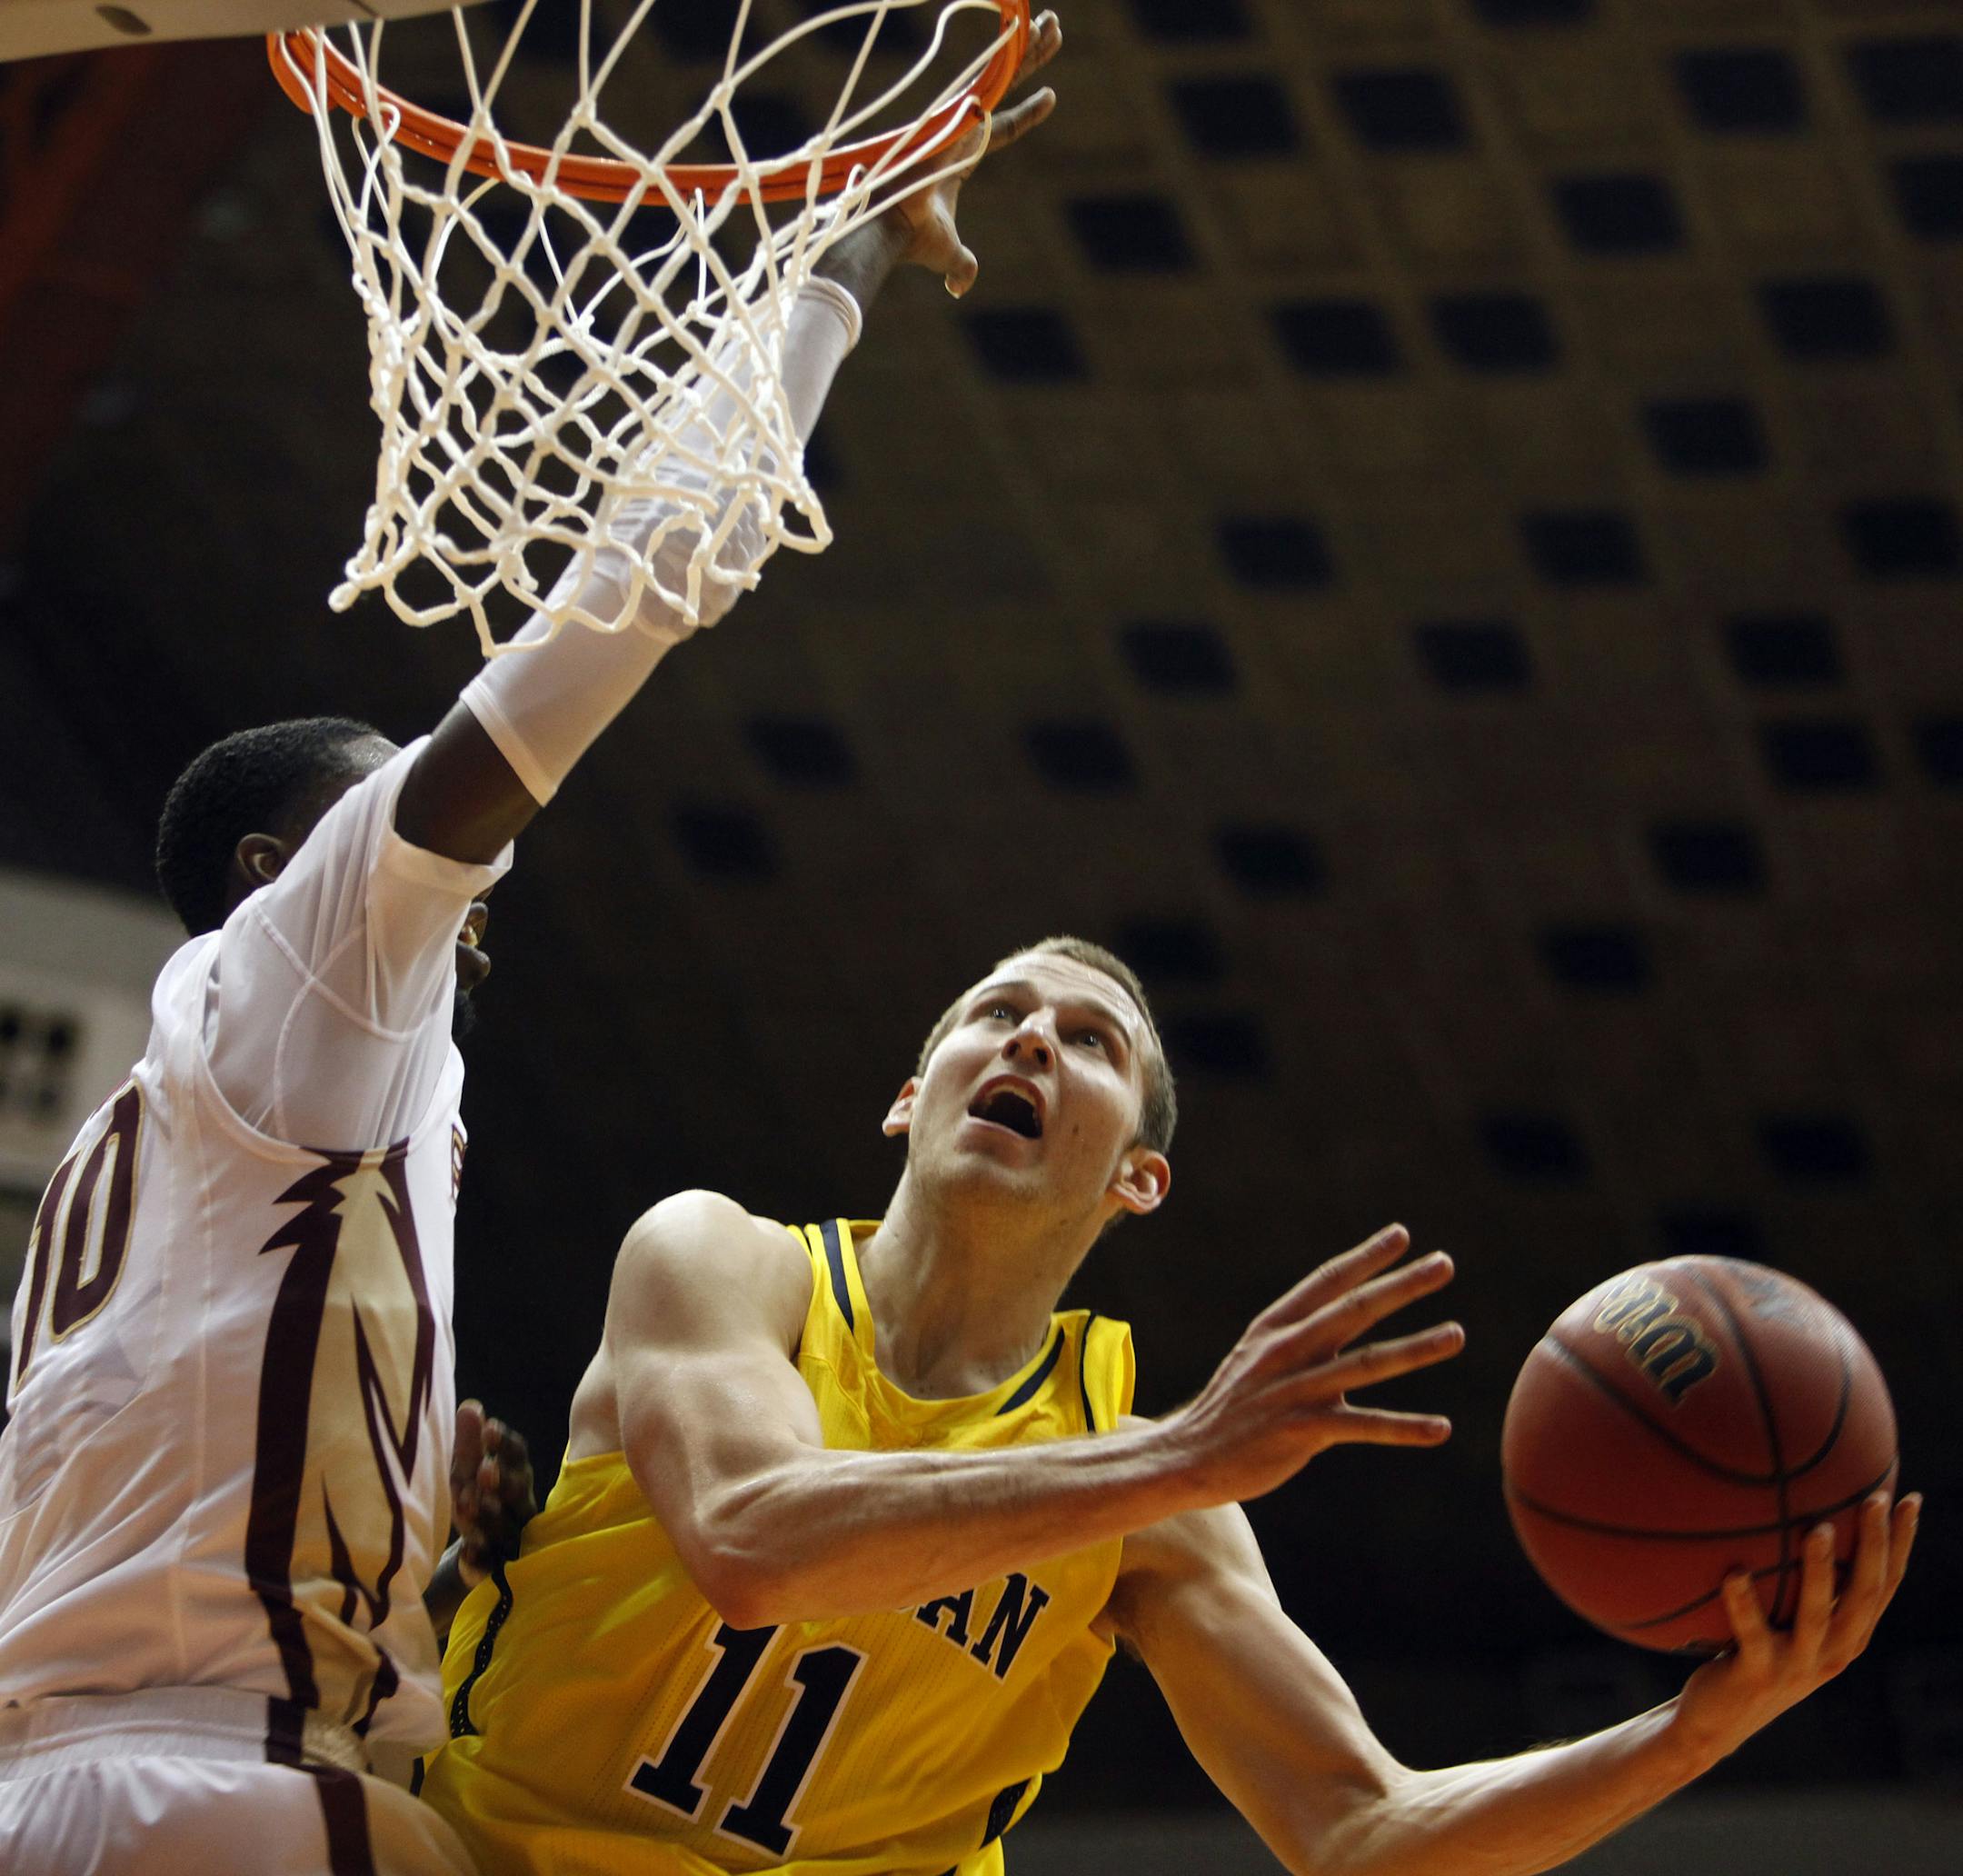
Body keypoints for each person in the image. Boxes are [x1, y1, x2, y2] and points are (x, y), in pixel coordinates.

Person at [0, 18, 1065, 1872]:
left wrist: (406, 1523)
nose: (460, 888)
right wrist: (840, 267)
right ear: (281, 859)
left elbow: (169, 1474)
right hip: (223, 1792)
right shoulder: (314, 953)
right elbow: (637, 599)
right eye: (378, 812)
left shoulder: (150, 1142)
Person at [419, 934, 1919, 1876]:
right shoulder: (720, 1260)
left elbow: (1359, 1837)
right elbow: (755, 1545)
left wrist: (1692, 1733)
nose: (1028, 1041)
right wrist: (1182, 1455)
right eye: (996, 1012)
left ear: (1136, 1175)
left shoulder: (1153, 1504)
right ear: (910, 1093)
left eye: (1089, 1042)